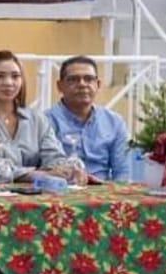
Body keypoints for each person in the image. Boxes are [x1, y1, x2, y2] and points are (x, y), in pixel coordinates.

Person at [0, 49, 70, 183]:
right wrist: (32, 175)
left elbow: (54, 156)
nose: (8, 82)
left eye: (15, 76)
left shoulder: (37, 119)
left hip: (39, 193)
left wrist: (64, 169)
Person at [45, 55, 130, 183]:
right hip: (60, 192)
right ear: (59, 86)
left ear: (98, 85)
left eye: (89, 79)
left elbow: (123, 172)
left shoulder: (115, 122)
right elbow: (44, 168)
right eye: (73, 79)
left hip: (103, 193)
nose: (82, 84)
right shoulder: (44, 122)